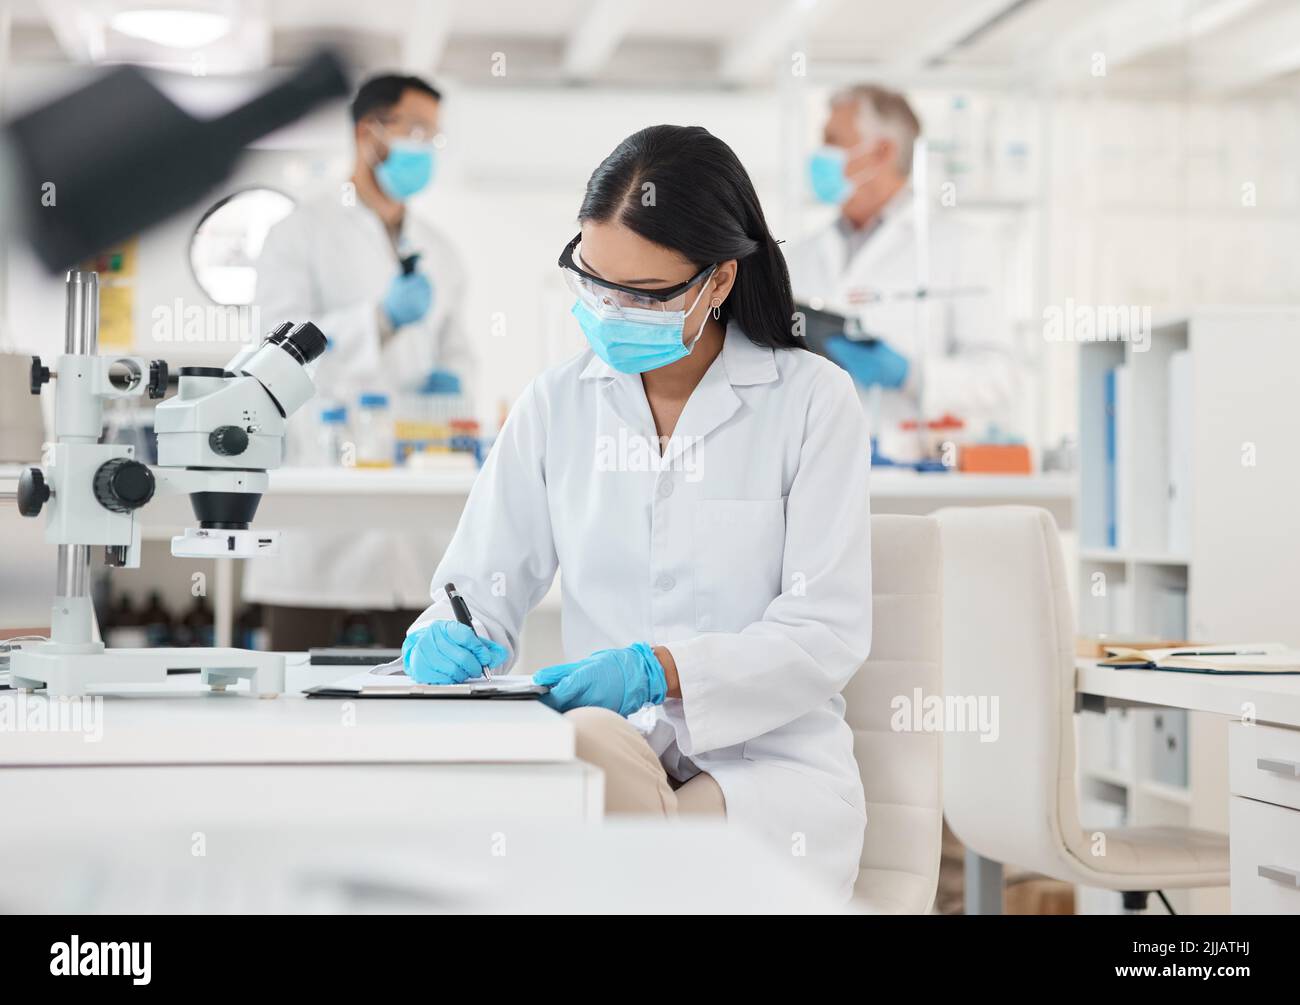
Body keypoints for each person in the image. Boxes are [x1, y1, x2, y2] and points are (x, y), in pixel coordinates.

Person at [402, 125, 872, 899]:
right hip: (619, 751)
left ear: (718, 281)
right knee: (587, 760)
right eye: (594, 281)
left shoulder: (813, 402)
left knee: (611, 859)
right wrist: (446, 635)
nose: (612, 310)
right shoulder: (558, 402)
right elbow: (477, 589)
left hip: (768, 768)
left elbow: (826, 630)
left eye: (644, 294)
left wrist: (665, 669)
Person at [245, 73, 474, 649]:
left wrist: (452, 387)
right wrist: (379, 320)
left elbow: (459, 354)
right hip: (318, 524)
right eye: (415, 130)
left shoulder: (441, 250)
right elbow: (276, 354)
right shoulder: (299, 233)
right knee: (296, 706)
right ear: (367, 132)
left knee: (413, 698)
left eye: (434, 137)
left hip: (413, 522)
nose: (425, 148)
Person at [786, 83, 1018, 453]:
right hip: (811, 460)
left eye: (833, 141)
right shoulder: (799, 256)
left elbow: (998, 378)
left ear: (881, 151)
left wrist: (913, 375)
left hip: (907, 467)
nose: (820, 155)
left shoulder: (958, 245)